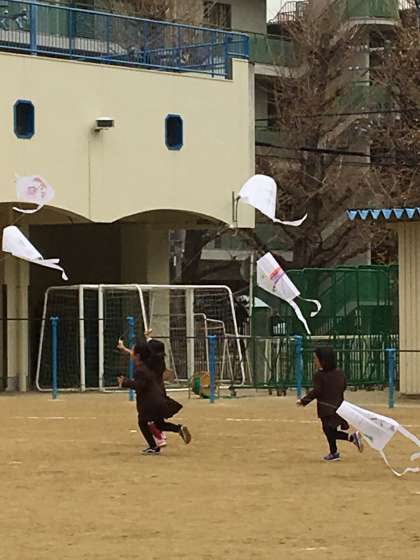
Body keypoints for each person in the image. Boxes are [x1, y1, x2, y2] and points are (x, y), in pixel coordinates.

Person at [117, 342, 191, 455]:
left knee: (142, 422)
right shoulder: (148, 366)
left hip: (150, 402)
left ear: (138, 356)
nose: (131, 353)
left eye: (133, 351)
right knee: (159, 424)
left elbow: (140, 385)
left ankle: (154, 447)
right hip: (157, 398)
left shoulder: (140, 369)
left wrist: (125, 383)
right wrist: (124, 348)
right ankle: (178, 429)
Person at [296, 346, 364, 462]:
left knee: (329, 431)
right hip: (339, 407)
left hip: (326, 409)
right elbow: (343, 386)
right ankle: (334, 452)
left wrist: (303, 401)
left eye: (316, 359)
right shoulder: (339, 373)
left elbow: (317, 391)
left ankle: (351, 438)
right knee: (330, 430)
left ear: (323, 360)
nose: (314, 361)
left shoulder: (319, 375)